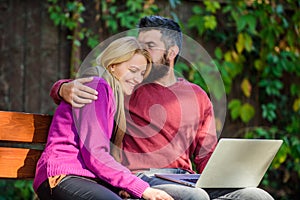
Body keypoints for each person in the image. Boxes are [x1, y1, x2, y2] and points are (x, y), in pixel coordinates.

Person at [49, 16, 274, 200]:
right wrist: (62, 88)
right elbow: (93, 86)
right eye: (139, 44)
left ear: (172, 52)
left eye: (150, 46)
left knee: (256, 196)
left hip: (187, 178)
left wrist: (232, 175)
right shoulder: (128, 87)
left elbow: (206, 155)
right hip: (144, 177)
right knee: (195, 198)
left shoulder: (197, 96)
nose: (141, 51)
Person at [33, 36, 174, 200]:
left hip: (86, 179)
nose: (138, 79)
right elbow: (95, 153)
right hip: (62, 176)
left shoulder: (112, 95)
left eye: (142, 73)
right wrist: (142, 189)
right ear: (113, 66)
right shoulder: (97, 87)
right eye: (133, 70)